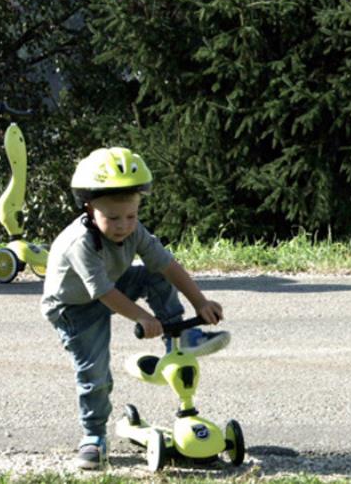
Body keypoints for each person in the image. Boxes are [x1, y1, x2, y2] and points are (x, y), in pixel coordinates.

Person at [41, 147, 231, 470]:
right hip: (74, 309)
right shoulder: (81, 244)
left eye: (131, 216)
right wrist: (142, 316)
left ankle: (180, 339)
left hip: (110, 286)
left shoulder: (134, 231)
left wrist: (199, 301)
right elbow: (103, 293)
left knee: (154, 276)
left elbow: (167, 265)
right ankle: (93, 436)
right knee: (95, 373)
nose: (123, 225)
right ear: (89, 208)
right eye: (112, 218)